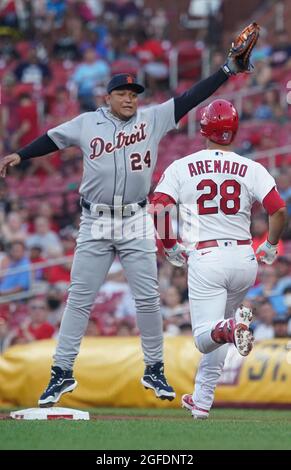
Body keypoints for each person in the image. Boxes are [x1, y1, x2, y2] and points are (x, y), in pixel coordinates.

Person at [0, 33, 253, 407]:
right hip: (96, 221)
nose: (130, 97)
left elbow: (191, 98)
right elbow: (52, 139)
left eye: (134, 92)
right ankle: (61, 373)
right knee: (79, 300)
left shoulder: (151, 118)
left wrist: (227, 70)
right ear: (108, 96)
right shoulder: (87, 123)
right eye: (123, 93)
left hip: (135, 217)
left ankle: (154, 368)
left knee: (148, 300)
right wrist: (20, 155)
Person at [152, 99, 287, 419]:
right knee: (223, 328)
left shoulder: (182, 166)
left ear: (203, 129)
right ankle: (202, 400)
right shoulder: (251, 166)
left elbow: (158, 207)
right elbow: (278, 209)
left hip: (207, 255)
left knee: (204, 337)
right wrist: (270, 245)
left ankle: (229, 326)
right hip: (244, 257)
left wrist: (170, 246)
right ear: (234, 130)